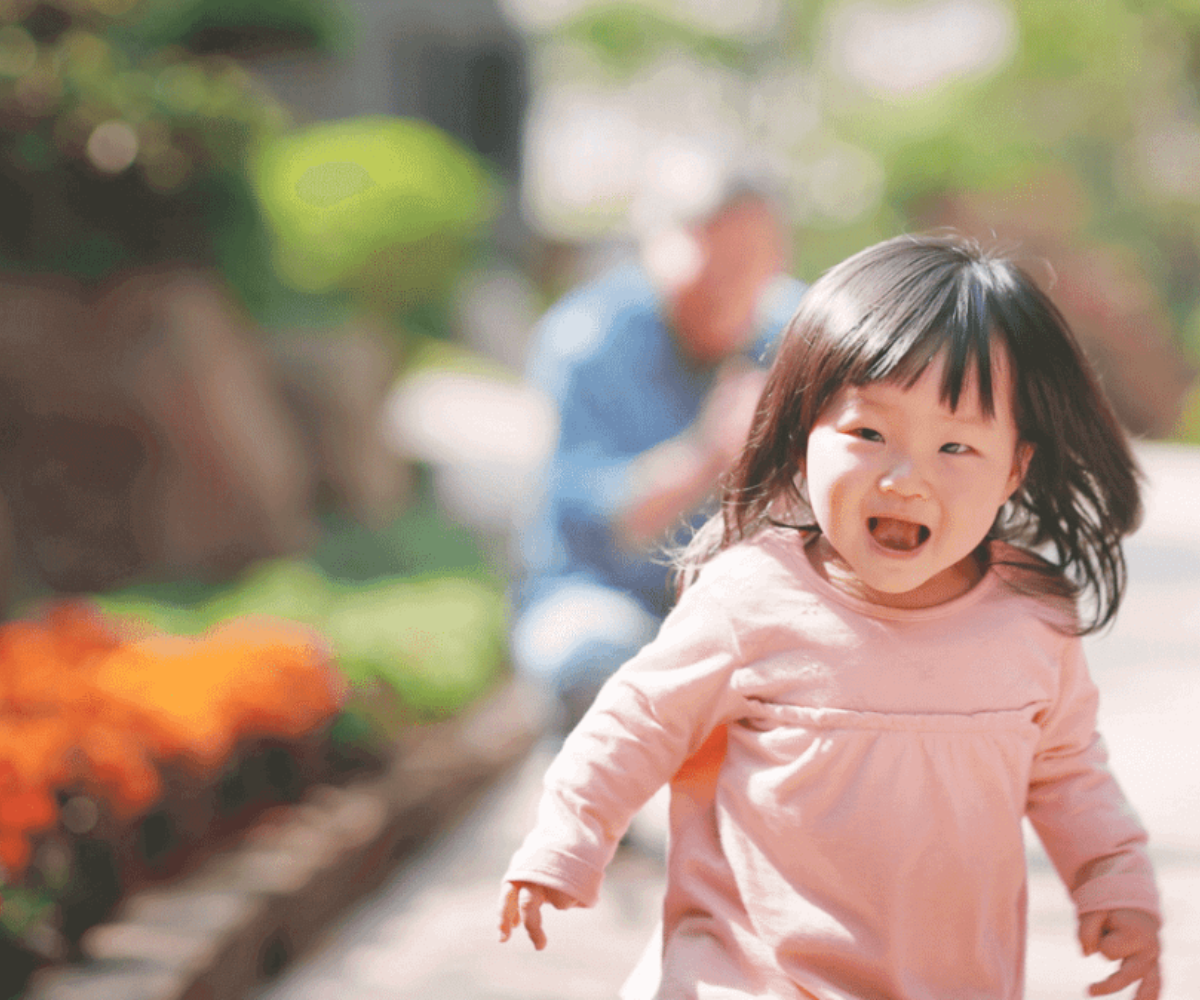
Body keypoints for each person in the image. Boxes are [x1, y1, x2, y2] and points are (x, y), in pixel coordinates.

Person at [498, 233, 1162, 999]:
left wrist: (1115, 885)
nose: (905, 478)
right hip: (748, 979)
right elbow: (636, 722)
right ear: (802, 429)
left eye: (956, 446)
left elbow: (1070, 772)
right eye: (869, 434)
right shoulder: (751, 599)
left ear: (1015, 467)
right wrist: (566, 839)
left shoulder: (1029, 622)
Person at [510, 181, 806, 731]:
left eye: (751, 263)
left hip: (754, 600)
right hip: (607, 591)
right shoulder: (587, 338)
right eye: (713, 264)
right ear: (661, 251)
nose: (730, 287)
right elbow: (606, 525)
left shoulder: (805, 329)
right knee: (583, 655)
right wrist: (711, 453)